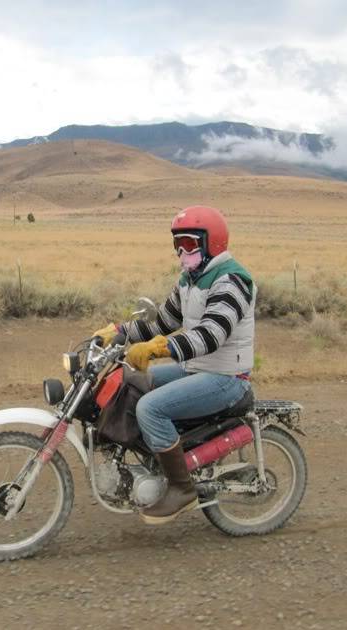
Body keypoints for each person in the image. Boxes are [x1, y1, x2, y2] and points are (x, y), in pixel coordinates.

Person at [93, 205, 256, 525]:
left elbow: (212, 335)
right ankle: (157, 458)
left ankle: (182, 488)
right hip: (198, 369)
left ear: (213, 243)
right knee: (134, 381)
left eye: (191, 244)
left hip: (226, 377)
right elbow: (163, 322)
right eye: (177, 244)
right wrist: (119, 332)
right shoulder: (190, 279)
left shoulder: (232, 280)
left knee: (150, 408)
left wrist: (160, 349)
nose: (183, 252)